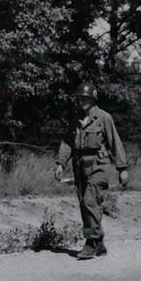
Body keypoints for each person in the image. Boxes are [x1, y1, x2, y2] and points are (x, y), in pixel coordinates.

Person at [54, 83, 129, 260]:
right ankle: (99, 242)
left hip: (99, 164)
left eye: (86, 98)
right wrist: (60, 164)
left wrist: (122, 168)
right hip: (79, 164)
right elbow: (67, 142)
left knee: (90, 200)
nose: (83, 101)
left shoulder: (104, 118)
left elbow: (115, 143)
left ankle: (90, 242)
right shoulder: (76, 119)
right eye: (80, 98)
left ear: (93, 99)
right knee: (84, 203)